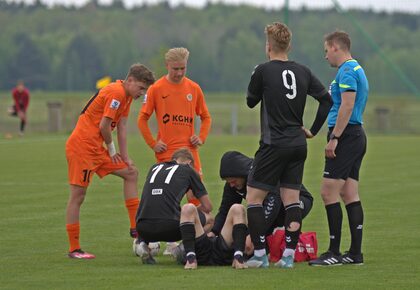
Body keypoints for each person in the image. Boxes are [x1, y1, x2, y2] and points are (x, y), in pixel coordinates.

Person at [245, 22, 332, 269]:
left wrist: (258, 80)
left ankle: (260, 255)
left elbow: (251, 101)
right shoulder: (303, 71)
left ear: (268, 46)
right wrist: (313, 130)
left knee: (253, 198)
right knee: (291, 199)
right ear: (288, 45)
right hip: (297, 144)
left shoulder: (262, 70)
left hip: (274, 144)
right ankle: (288, 256)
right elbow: (326, 100)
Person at [65, 63, 155, 259]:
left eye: (145, 90)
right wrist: (112, 150)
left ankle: (135, 228)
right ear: (129, 80)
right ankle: (74, 249)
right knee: (78, 196)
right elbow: (104, 126)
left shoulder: (127, 97)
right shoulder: (116, 93)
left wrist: (125, 157)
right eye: (141, 88)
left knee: (131, 172)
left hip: (97, 149)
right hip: (82, 148)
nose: (142, 93)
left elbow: (121, 127)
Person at [137, 47, 212, 253]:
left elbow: (206, 117)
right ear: (167, 66)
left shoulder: (194, 88)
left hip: (189, 152)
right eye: (175, 69)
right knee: (163, 198)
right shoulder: (156, 89)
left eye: (183, 68)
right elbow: (142, 119)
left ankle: (189, 239)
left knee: (195, 197)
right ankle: (166, 240)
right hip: (166, 153)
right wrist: (153, 143)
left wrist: (201, 137)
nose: (179, 73)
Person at [309, 31, 368, 266]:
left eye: (326, 50)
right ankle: (355, 253)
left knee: (328, 192)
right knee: (349, 193)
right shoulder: (356, 69)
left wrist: (334, 137)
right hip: (355, 135)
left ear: (335, 47)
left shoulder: (346, 71)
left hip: (346, 136)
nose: (325, 56)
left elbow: (347, 104)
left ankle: (333, 252)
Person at [134, 148, 213, 264]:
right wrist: (189, 214)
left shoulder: (155, 168)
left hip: (142, 228)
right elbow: (207, 206)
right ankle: (182, 248)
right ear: (189, 163)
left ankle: (143, 246)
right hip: (170, 228)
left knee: (152, 209)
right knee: (210, 219)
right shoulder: (188, 170)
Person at [210, 151, 313, 239]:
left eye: (233, 181)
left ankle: (285, 235)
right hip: (272, 204)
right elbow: (225, 210)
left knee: (277, 213)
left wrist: (252, 235)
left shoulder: (261, 174)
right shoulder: (232, 185)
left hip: (299, 200)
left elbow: (273, 204)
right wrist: (214, 232)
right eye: (228, 182)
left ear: (242, 174)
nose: (231, 184)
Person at [178, 203, 248, 270]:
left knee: (238, 208)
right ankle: (191, 258)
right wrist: (214, 231)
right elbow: (222, 212)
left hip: (223, 252)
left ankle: (238, 257)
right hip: (199, 252)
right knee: (187, 208)